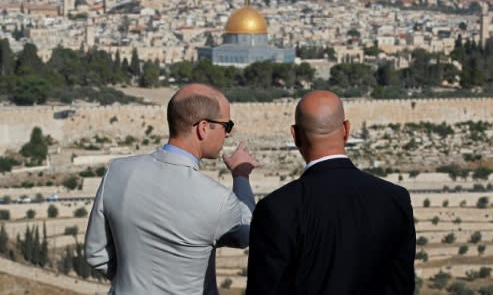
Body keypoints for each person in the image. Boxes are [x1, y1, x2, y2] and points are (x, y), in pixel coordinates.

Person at [85, 83, 259, 294]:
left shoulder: (118, 171)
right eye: (227, 125)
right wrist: (241, 176)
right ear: (203, 128)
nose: (228, 134)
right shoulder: (216, 199)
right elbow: (245, 233)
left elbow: (96, 252)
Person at [246, 90, 415, 295]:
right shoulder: (395, 199)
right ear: (346, 129)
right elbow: (402, 285)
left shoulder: (277, 208)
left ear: (295, 135)